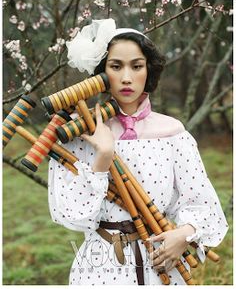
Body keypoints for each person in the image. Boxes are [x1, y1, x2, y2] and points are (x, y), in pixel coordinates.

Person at [48, 18, 228, 285]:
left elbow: (204, 204)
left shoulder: (173, 133)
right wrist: (103, 158)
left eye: (137, 66)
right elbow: (73, 215)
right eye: (116, 66)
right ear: (101, 73)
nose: (127, 77)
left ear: (149, 70)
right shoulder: (79, 134)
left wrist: (184, 234)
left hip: (161, 263)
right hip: (100, 267)